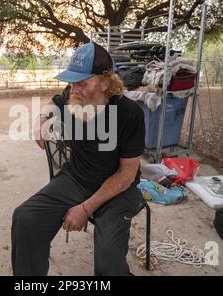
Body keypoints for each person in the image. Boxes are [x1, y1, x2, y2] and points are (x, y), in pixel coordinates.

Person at [11, 42, 146, 276]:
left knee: (108, 260)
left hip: (118, 190)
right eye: (71, 82)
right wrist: (41, 119)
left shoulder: (129, 113)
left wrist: (85, 208)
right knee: (25, 219)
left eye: (82, 83)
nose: (74, 89)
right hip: (77, 178)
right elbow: (54, 101)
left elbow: (126, 175)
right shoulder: (74, 96)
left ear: (106, 82)